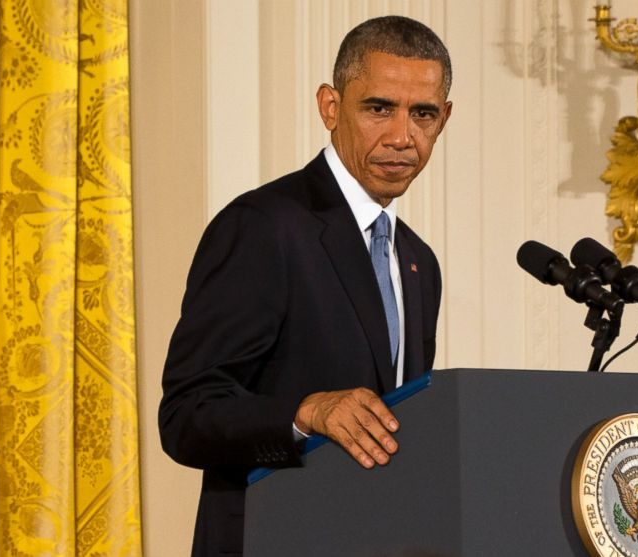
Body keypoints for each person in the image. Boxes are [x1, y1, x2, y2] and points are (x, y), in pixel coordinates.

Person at [159, 15, 453, 556]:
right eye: (379, 108)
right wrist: (304, 413)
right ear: (331, 107)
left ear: (444, 119)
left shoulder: (417, 261)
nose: (401, 136)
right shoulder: (263, 226)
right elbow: (186, 416)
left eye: (423, 114)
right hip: (272, 537)